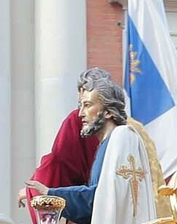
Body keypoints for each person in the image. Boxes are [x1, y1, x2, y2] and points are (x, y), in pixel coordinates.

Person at [22, 77, 159, 224]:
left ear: (106, 110)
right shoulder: (110, 142)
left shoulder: (121, 138)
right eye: (81, 105)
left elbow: (100, 199)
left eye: (87, 105)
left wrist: (53, 194)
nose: (81, 113)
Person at [23, 68, 111, 197]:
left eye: (87, 104)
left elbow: (58, 162)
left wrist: (34, 191)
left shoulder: (77, 120)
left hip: (87, 201)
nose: (82, 112)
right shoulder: (130, 128)